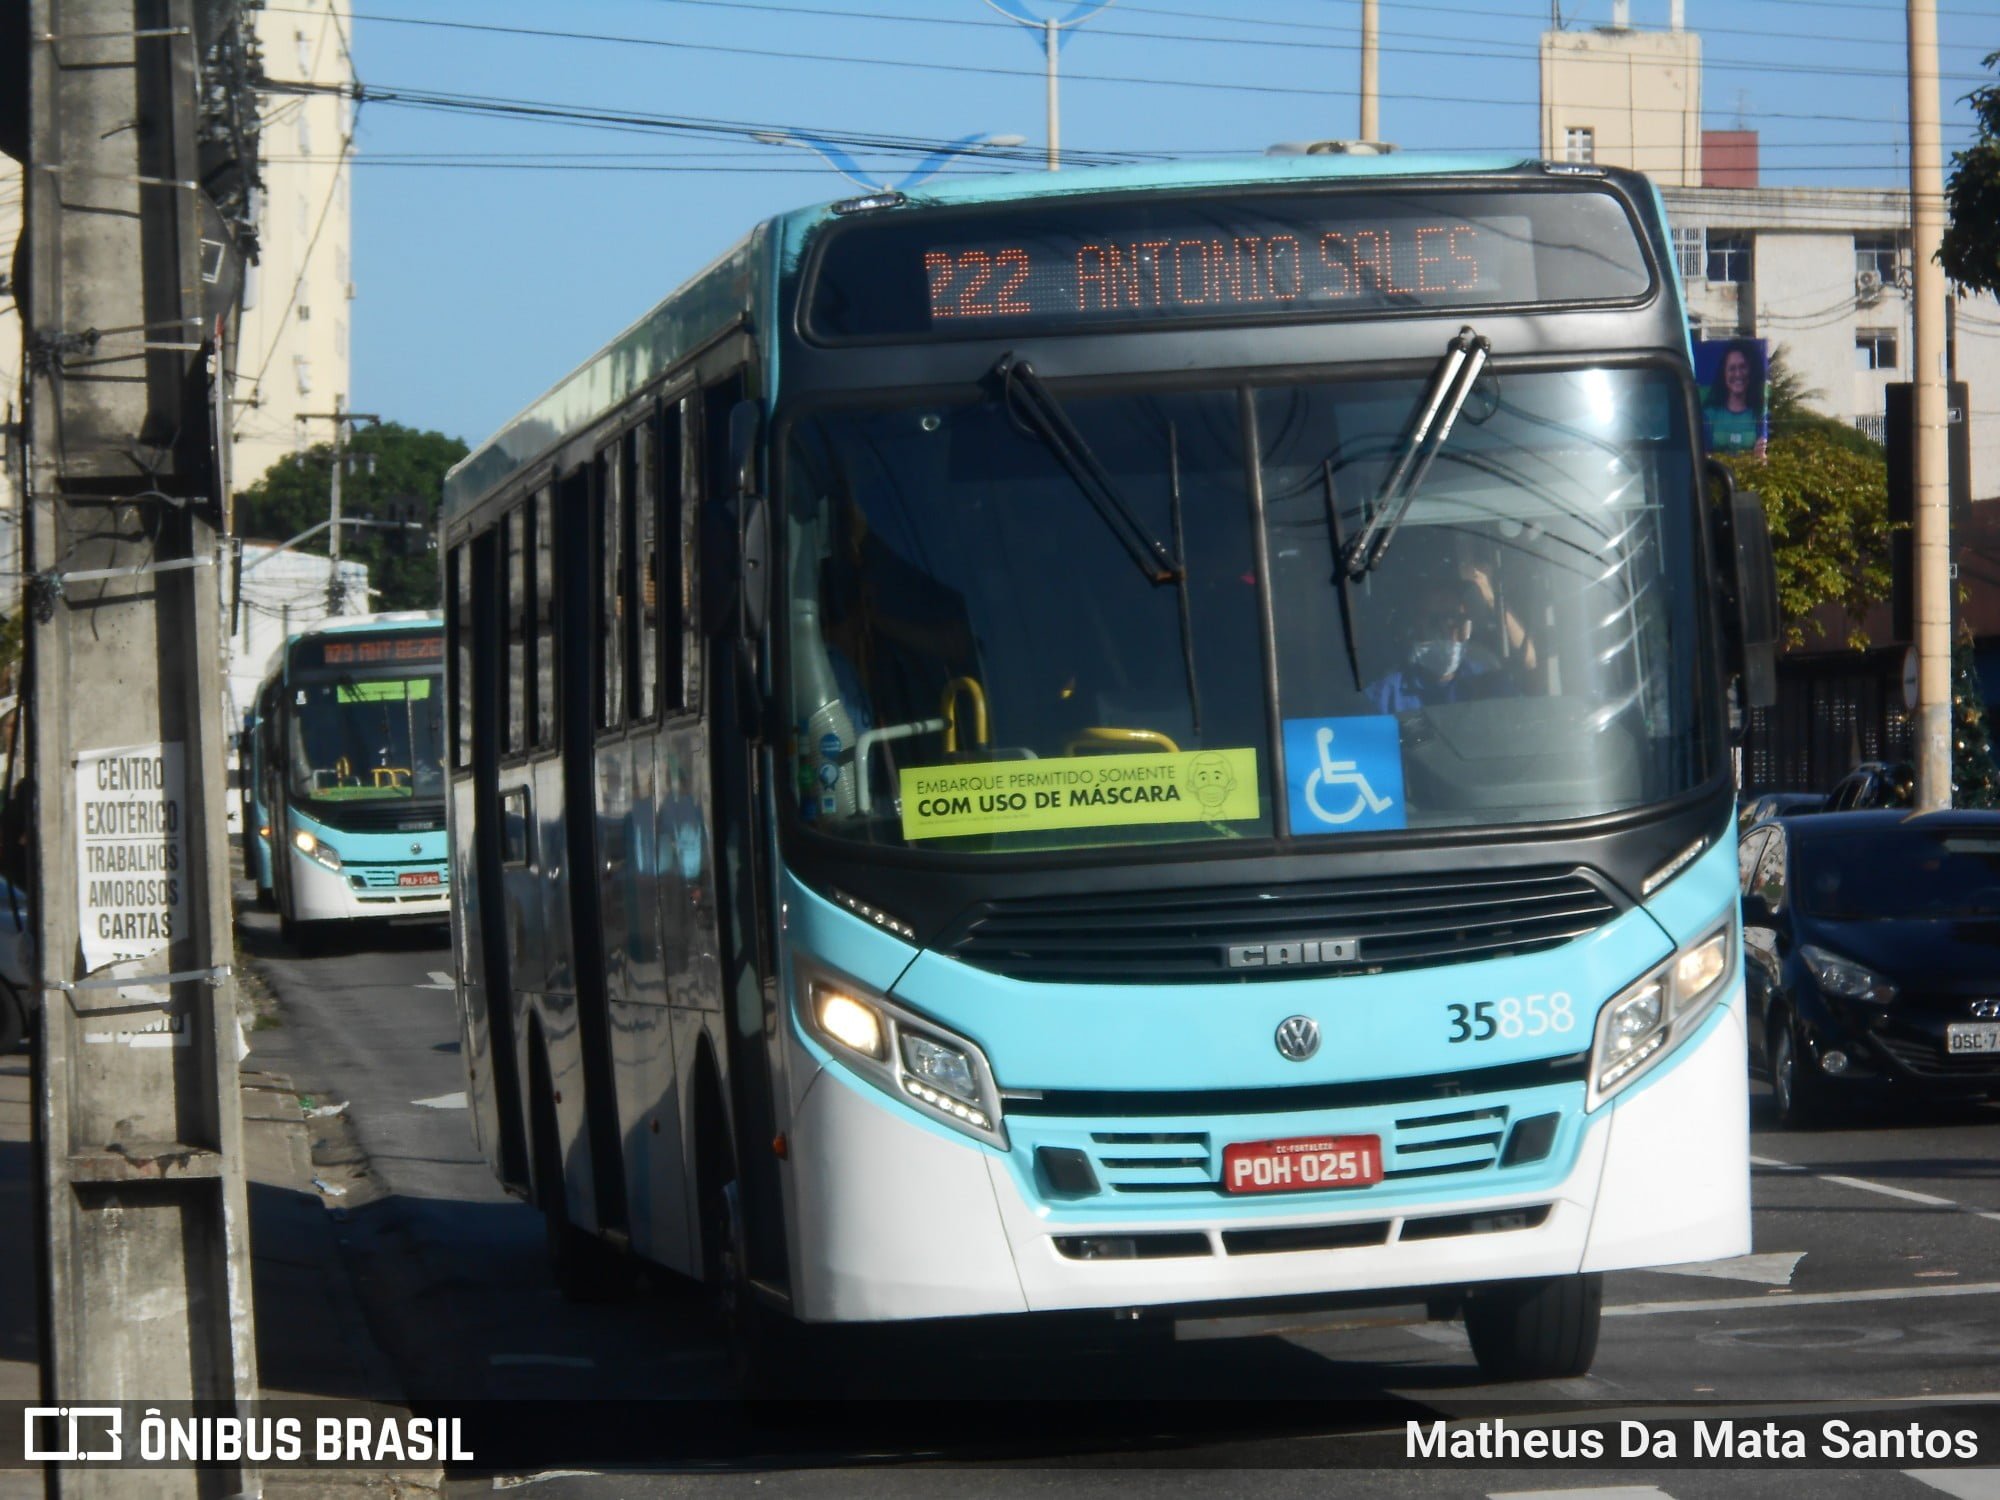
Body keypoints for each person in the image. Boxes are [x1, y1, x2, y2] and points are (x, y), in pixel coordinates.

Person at [1366, 580, 1522, 714]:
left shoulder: (1494, 686)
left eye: (1456, 619)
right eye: (1435, 621)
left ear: (1468, 627)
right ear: (1415, 627)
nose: (1448, 630)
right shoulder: (1385, 695)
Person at [1702, 341, 1766, 458]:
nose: (1738, 374)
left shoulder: (1760, 414)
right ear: (1724, 374)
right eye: (1732, 368)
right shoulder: (1708, 415)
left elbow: (1763, 459)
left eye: (1743, 367)